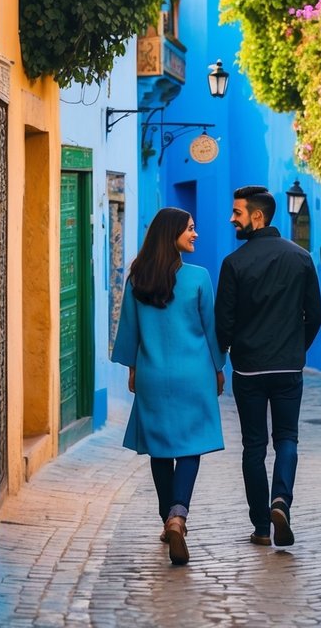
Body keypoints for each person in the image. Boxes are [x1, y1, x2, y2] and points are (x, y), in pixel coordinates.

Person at [111, 207, 225, 566]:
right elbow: (212, 330)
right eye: (190, 229)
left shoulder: (137, 279)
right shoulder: (199, 278)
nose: (195, 234)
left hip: (151, 374)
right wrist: (220, 368)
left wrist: (132, 369)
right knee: (190, 447)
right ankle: (178, 515)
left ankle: (167, 520)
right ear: (172, 233)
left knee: (160, 449)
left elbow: (129, 331)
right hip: (195, 375)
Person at [215, 184, 321, 549]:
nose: (232, 219)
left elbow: (223, 324)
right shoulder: (301, 258)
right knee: (287, 438)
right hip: (288, 368)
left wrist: (227, 354)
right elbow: (316, 316)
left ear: (256, 217)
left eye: (237, 213)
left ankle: (262, 527)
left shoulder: (234, 264)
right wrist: (296, 349)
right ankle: (281, 501)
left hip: (248, 371)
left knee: (253, 447)